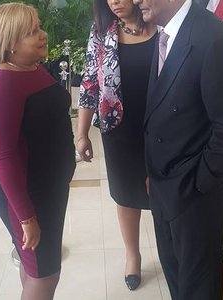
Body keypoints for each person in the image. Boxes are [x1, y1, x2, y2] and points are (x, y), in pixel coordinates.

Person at [132, 0, 223, 299]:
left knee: (198, 288)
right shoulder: (163, 35)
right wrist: (153, 174)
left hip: (193, 197)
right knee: (176, 280)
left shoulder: (212, 38)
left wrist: (198, 184)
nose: (135, 0)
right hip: (162, 187)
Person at [0, 3, 76, 300]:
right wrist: (26, 217)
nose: (43, 35)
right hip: (28, 193)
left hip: (48, 188)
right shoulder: (2, 84)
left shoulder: (32, 69)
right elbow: (4, 156)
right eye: (32, 31)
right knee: (45, 274)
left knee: (36, 268)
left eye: (39, 27)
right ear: (10, 43)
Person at [77, 0, 157, 291]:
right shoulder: (101, 32)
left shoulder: (162, 24)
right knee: (126, 196)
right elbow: (89, 84)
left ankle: (171, 252)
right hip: (119, 129)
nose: (114, 1)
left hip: (164, 128)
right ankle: (132, 255)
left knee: (163, 192)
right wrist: (82, 133)